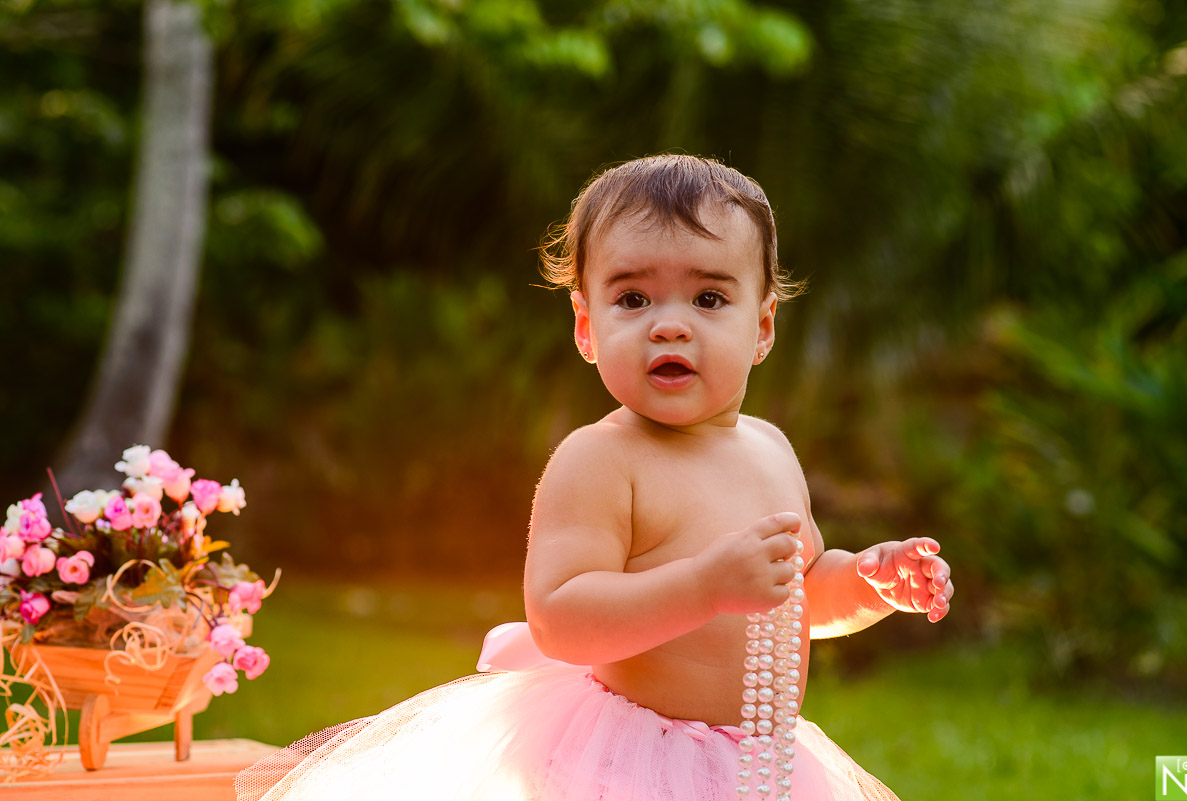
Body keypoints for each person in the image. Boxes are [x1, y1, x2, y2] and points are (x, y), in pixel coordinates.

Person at [235, 154, 954, 801]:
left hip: (761, 766)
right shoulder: (601, 459)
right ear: (586, 326)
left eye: (708, 299)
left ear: (762, 327)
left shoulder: (771, 448)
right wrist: (705, 586)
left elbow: (799, 594)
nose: (669, 325)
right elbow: (561, 616)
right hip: (631, 761)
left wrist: (864, 581)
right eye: (634, 299)